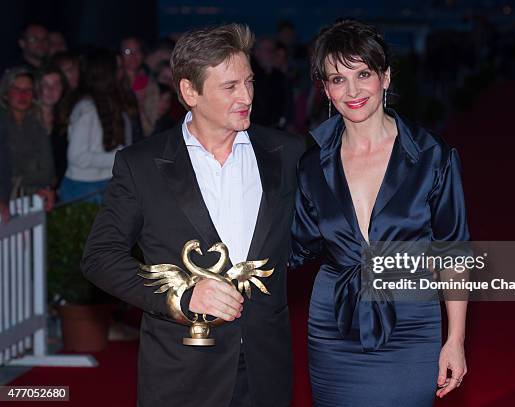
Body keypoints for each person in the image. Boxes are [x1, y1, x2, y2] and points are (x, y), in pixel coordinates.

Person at [82, 24, 304, 407]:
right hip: (181, 374)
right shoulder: (142, 165)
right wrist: (181, 297)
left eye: (249, 82)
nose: (247, 96)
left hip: (266, 372)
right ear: (189, 91)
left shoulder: (287, 153)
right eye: (230, 86)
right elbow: (100, 256)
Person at [290, 20, 469, 406]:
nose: (352, 91)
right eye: (337, 79)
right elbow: (295, 247)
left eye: (363, 74)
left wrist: (455, 339)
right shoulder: (311, 166)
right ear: (325, 89)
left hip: (411, 321)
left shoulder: (431, 156)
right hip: (332, 323)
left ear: (385, 78)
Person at [58, 49, 131, 203]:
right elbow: (77, 156)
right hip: (83, 187)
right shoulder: (86, 109)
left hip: (104, 182)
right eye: (116, 69)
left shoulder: (110, 102)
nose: (121, 73)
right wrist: (117, 157)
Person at [0, 67, 55, 207]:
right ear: (6, 93)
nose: (23, 95)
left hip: (32, 200)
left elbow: (47, 173)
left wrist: (18, 179)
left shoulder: (37, 124)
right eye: (16, 89)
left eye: (28, 90)